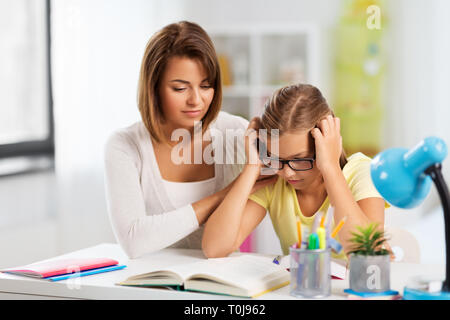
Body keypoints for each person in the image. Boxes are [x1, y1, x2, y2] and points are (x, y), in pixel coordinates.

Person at [104, 21, 276, 259]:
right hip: (150, 287)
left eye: (206, 86)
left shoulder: (235, 132)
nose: (196, 100)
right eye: (180, 88)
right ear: (153, 88)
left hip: (220, 284)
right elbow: (134, 241)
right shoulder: (124, 146)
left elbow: (292, 167)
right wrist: (225, 194)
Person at [202, 83, 391, 260]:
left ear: (326, 143)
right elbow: (215, 248)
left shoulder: (362, 172)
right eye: (275, 157)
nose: (287, 173)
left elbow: (367, 255)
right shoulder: (273, 179)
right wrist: (252, 167)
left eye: (299, 159)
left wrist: (331, 168)